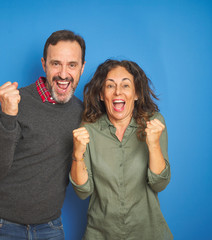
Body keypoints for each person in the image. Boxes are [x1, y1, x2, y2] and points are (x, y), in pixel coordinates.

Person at [0, 30, 86, 240]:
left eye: (72, 65)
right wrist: (8, 116)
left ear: (82, 67)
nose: (63, 74)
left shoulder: (81, 113)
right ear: (44, 65)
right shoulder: (16, 102)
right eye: (56, 64)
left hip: (49, 227)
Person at [70, 59, 173, 240]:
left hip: (148, 233)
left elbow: (160, 184)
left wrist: (153, 144)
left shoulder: (154, 124)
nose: (118, 91)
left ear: (136, 93)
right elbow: (83, 191)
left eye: (126, 85)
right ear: (101, 94)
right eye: (110, 86)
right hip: (100, 234)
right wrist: (77, 155)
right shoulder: (87, 130)